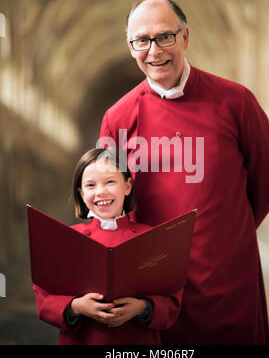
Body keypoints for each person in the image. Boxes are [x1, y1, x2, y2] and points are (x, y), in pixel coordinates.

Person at [99, 0, 269, 344]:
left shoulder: (236, 102)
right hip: (152, 290)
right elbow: (106, 203)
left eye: (165, 36)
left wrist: (228, 238)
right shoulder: (117, 118)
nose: (154, 50)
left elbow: (267, 182)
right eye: (142, 40)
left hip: (227, 283)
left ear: (185, 37)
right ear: (130, 46)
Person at [33, 148, 183, 345]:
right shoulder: (67, 238)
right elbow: (44, 299)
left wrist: (142, 307)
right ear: (81, 192)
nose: (100, 192)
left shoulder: (153, 238)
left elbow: (172, 301)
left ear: (127, 186)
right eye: (90, 185)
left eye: (110, 181)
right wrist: (76, 306)